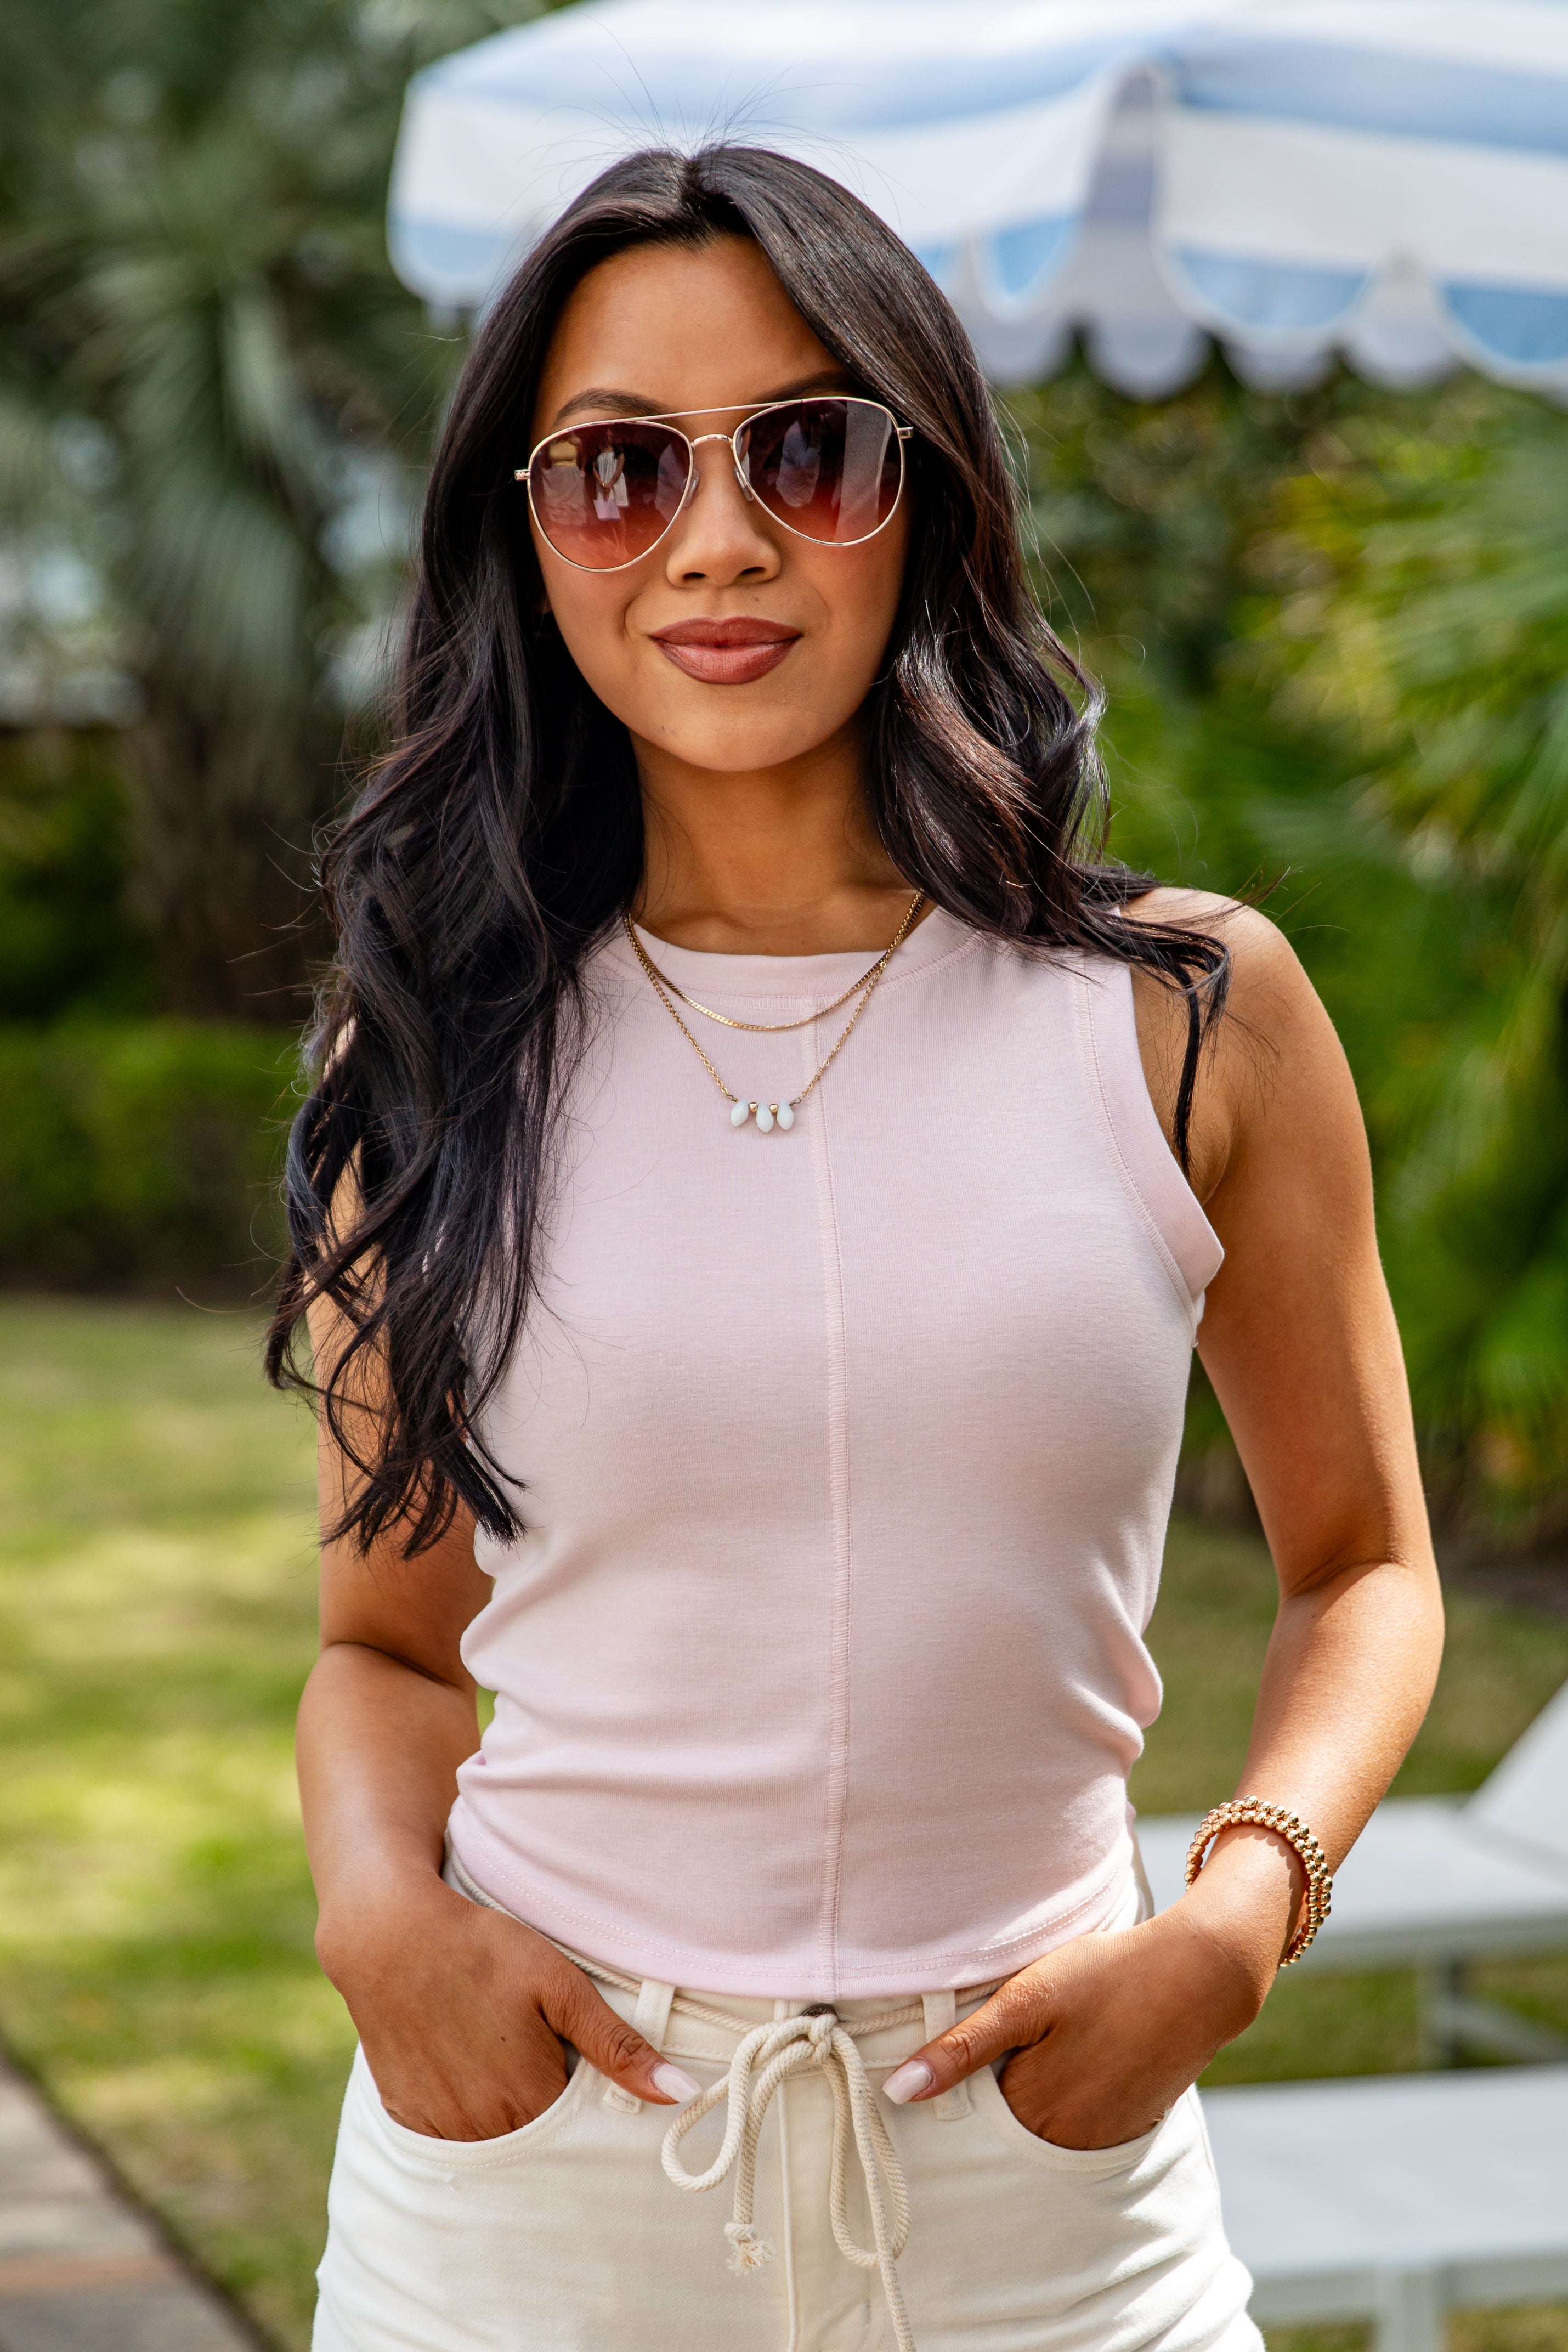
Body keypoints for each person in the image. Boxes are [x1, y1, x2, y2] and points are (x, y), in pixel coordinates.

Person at [268, 145, 1444, 2352]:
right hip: (528, 2195)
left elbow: (1362, 1565)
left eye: (803, 449)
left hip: (1053, 2195)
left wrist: (1238, 1909)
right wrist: (372, 1916)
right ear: (526, 539)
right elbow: (388, 1651)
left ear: (927, 494)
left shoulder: (1189, 1015)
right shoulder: (432, 1041)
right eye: (619, 469)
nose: (717, 537)